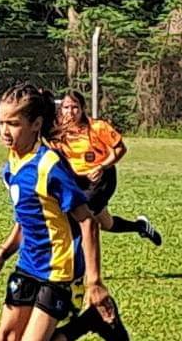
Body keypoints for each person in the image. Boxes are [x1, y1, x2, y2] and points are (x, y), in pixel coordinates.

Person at [0, 84, 130, 341]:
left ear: (36, 123)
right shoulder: (12, 165)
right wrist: (1, 254)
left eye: (13, 123)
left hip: (59, 270)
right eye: (1, 122)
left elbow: (87, 220)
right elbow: (28, 218)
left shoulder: (51, 167)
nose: (4, 131)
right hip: (28, 265)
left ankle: (91, 322)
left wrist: (94, 281)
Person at [53, 90, 161, 246]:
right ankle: (140, 227)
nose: (70, 112)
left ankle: (79, 266)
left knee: (78, 217)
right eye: (66, 107)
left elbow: (120, 149)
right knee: (106, 223)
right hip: (77, 181)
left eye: (75, 107)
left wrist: (102, 167)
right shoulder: (57, 131)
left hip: (101, 180)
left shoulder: (97, 127)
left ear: (82, 108)